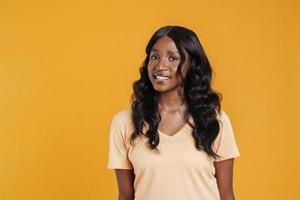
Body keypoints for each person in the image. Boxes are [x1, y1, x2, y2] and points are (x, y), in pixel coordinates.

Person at [107, 25, 240, 200]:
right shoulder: (124, 122)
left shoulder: (215, 120)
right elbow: (125, 196)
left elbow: (226, 194)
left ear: (191, 65)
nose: (160, 65)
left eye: (173, 58)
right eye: (154, 57)